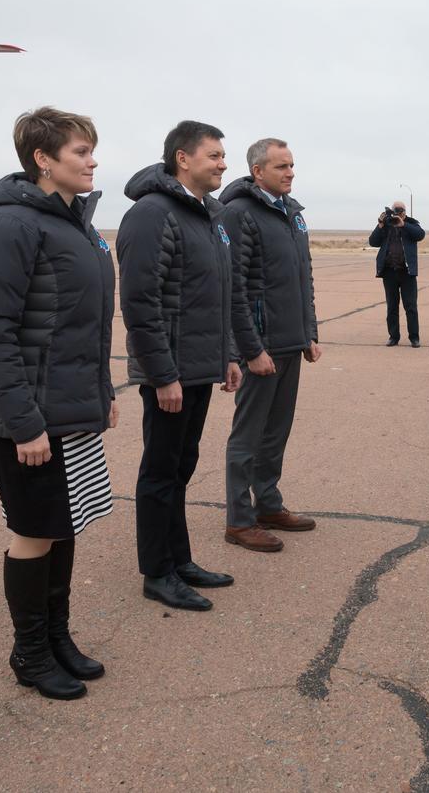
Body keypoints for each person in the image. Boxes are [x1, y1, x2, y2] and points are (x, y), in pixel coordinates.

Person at [0, 106, 116, 701]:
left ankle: (57, 637)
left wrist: (100, 396)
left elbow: (89, 327)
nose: (92, 160)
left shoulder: (74, 224)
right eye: (81, 151)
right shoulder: (9, 226)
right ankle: (30, 651)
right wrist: (24, 423)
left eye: (91, 150)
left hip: (70, 409)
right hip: (26, 420)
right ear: (43, 159)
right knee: (34, 531)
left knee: (64, 526)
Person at [117, 120, 242, 613]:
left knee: (181, 466)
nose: (222, 164)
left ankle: (180, 558)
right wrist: (161, 373)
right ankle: (157, 571)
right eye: (214, 155)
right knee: (160, 470)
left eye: (223, 155)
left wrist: (227, 355)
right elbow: (141, 301)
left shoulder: (207, 215)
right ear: (182, 159)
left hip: (197, 366)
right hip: (169, 371)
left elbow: (218, 295)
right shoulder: (152, 213)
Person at [221, 138, 322, 553]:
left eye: (293, 166)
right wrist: (250, 349)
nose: (290, 173)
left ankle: (268, 504)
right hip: (259, 346)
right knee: (248, 435)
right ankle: (239, 521)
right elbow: (235, 288)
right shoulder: (239, 213)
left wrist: (309, 332)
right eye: (282, 167)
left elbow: (304, 278)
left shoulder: (292, 215)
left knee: (276, 431)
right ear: (258, 171)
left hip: (289, 341)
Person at [369, 201, 426, 346]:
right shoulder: (386, 225)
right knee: (392, 306)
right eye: (395, 210)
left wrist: (403, 224)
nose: (398, 213)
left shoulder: (411, 224)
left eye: (400, 210)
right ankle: (393, 336)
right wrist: (380, 225)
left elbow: (420, 235)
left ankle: (414, 337)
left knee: (410, 306)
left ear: (405, 212)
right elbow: (373, 242)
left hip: (407, 272)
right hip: (389, 272)